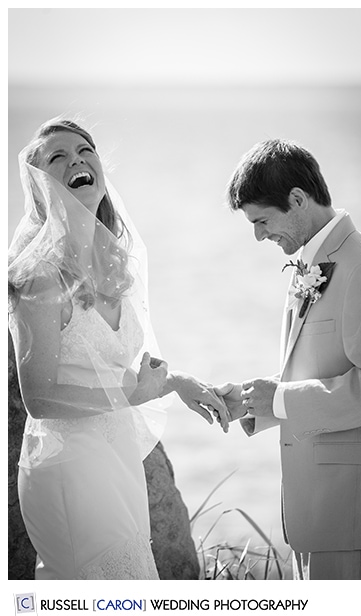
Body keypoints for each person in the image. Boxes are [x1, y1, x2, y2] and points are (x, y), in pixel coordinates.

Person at [8, 119, 228, 579]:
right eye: (58, 157)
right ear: (39, 185)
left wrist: (172, 382)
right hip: (68, 468)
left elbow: (105, 369)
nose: (77, 160)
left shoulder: (113, 261)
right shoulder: (40, 275)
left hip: (115, 457)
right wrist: (135, 396)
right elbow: (39, 398)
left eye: (85, 150)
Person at [216, 139, 361, 580]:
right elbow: (321, 370)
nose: (258, 235)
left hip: (351, 515)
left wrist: (283, 400)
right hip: (315, 512)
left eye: (262, 221)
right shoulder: (314, 261)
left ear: (297, 200)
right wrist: (255, 401)